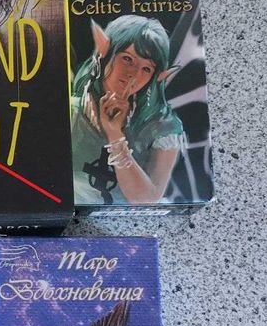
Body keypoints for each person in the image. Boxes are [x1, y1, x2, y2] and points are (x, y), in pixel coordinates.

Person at [71, 15, 185, 205]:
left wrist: (115, 135)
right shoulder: (70, 112)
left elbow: (145, 200)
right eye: (127, 59)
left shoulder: (163, 126)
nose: (133, 74)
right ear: (104, 54)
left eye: (146, 69)